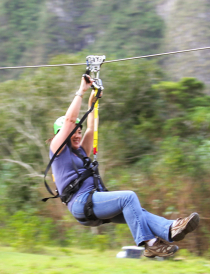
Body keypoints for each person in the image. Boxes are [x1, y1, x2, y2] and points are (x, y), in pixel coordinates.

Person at [49, 74, 199, 258]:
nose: (78, 135)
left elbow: (90, 129)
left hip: (92, 202)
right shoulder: (58, 150)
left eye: (78, 132)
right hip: (81, 204)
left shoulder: (79, 151)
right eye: (73, 133)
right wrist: (81, 91)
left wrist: (92, 102)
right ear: (61, 133)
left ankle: (170, 228)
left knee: (136, 211)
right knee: (129, 198)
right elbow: (70, 122)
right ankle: (150, 244)